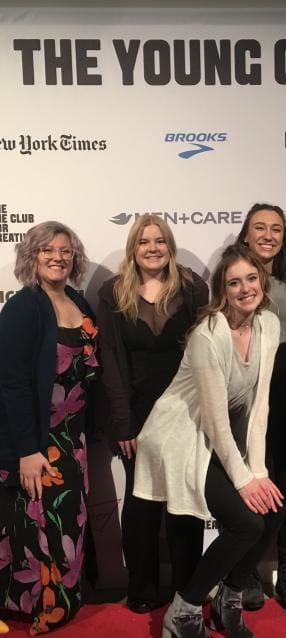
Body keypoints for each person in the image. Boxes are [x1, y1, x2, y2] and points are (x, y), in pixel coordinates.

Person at [133, 244, 283, 638]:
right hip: (179, 436)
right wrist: (243, 480)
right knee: (247, 524)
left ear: (262, 282)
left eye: (251, 278)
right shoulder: (209, 335)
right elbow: (216, 422)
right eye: (234, 282)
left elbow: (259, 405)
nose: (245, 288)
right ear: (222, 290)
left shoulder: (269, 324)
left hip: (214, 437)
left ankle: (228, 598)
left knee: (273, 507)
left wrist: (259, 472)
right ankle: (183, 611)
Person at [96, 214, 208, 613]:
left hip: (185, 412)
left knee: (184, 502)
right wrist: (123, 421)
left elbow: (207, 352)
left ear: (170, 244)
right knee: (141, 505)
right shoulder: (113, 293)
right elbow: (110, 358)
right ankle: (142, 589)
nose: (153, 248)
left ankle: (186, 591)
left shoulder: (193, 287)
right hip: (138, 414)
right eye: (144, 242)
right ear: (133, 248)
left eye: (160, 240)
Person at [0, 222, 98, 635]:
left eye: (65, 250)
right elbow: (12, 382)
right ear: (32, 257)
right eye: (47, 250)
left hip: (72, 439)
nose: (58, 257)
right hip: (39, 441)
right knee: (37, 524)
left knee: (66, 524)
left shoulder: (77, 299)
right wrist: (26, 450)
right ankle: (40, 607)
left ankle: (65, 602)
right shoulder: (24, 307)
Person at [236, 204, 286, 614]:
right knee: (251, 490)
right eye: (259, 227)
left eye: (276, 229)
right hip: (246, 400)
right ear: (246, 234)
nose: (268, 235)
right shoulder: (230, 281)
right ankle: (245, 573)